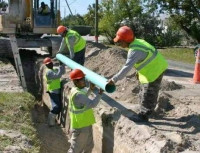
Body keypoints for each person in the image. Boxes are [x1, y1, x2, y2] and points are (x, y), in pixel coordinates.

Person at [108, 26, 168, 122]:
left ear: (126, 40)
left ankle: (144, 116)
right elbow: (142, 58)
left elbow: (126, 68)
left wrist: (114, 79)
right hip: (154, 67)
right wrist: (138, 72)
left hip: (155, 70)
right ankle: (145, 110)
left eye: (120, 41)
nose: (118, 43)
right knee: (143, 91)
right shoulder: (136, 42)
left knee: (149, 93)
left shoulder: (134, 50)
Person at [68, 69, 103, 153]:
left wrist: (90, 89)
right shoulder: (78, 94)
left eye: (84, 79)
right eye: (81, 80)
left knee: (89, 146)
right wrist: (100, 93)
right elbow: (92, 104)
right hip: (81, 127)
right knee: (75, 150)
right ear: (75, 82)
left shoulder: (75, 90)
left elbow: (83, 98)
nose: (84, 81)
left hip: (85, 124)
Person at [43, 57, 65, 126]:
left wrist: (61, 66)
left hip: (56, 90)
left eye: (50, 63)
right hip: (53, 91)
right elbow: (58, 75)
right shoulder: (49, 72)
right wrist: (61, 66)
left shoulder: (53, 69)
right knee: (56, 107)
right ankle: (50, 122)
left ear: (52, 62)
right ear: (46, 65)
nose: (50, 64)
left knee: (58, 106)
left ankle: (52, 121)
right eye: (48, 64)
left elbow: (62, 72)